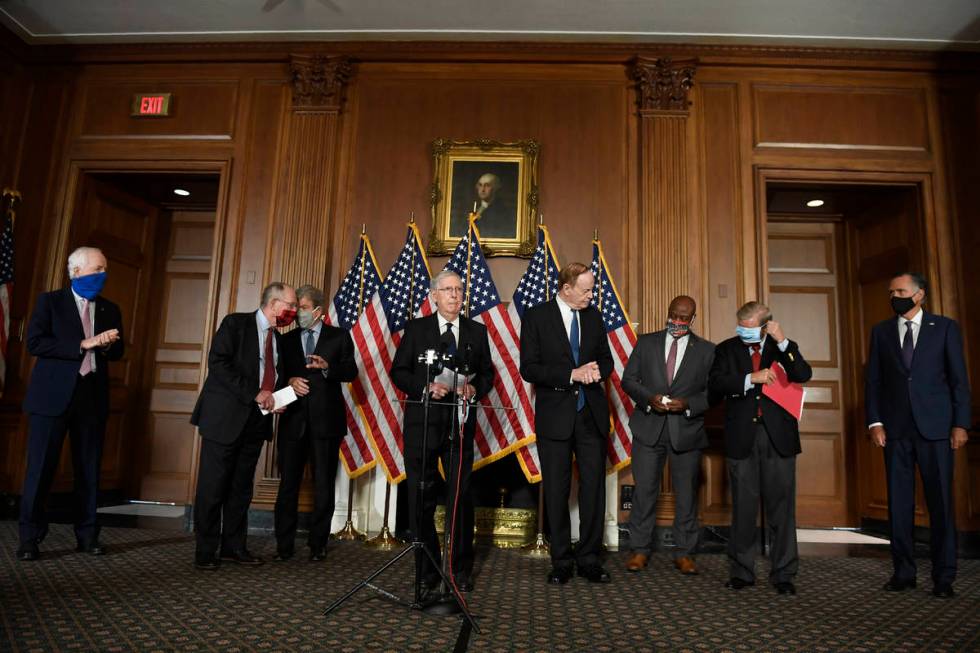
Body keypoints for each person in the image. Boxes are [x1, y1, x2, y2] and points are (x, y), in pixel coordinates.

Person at [865, 272, 970, 598]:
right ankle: (903, 572)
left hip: (936, 430)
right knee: (899, 505)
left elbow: (958, 381)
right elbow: (874, 382)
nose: (894, 295)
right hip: (895, 431)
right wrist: (875, 422)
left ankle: (944, 577)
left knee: (940, 504)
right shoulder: (881, 331)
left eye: (901, 290)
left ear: (919, 294)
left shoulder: (946, 328)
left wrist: (960, 424)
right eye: (891, 290)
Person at [390, 270, 494, 593]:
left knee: (460, 497)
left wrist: (474, 388)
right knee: (421, 495)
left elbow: (488, 374)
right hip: (423, 424)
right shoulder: (417, 329)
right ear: (434, 295)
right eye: (447, 290)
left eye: (459, 289)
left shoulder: (477, 332)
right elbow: (399, 371)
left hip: (459, 425)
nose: (454, 295)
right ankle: (428, 567)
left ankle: (460, 568)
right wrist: (425, 386)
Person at [17, 246, 123, 561]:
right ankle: (29, 538)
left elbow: (117, 353)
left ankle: (88, 536)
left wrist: (105, 346)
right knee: (40, 470)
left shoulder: (109, 309)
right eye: (96, 270)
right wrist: (82, 344)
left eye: (104, 270)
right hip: (52, 398)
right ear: (75, 272)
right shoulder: (50, 302)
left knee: (89, 470)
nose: (102, 276)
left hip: (91, 398)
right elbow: (35, 343)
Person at [190, 282, 297, 570]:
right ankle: (206, 550)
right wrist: (256, 393)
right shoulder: (236, 324)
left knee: (241, 488)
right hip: (224, 418)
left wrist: (275, 398)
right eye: (291, 305)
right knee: (213, 487)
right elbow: (219, 364)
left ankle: (234, 547)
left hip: (256, 421)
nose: (294, 311)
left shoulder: (278, 339)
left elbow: (271, 377)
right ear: (274, 304)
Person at [519, 262, 614, 585]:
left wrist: (597, 371)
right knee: (557, 491)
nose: (591, 295)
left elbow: (607, 358)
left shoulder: (594, 315)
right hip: (555, 416)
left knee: (593, 489)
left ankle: (588, 557)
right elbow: (529, 368)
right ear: (566, 289)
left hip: (591, 415)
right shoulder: (536, 317)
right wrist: (571, 374)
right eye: (586, 289)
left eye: (592, 288)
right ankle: (560, 559)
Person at [708, 301, 811, 595]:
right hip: (742, 437)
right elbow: (714, 386)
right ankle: (742, 571)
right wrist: (747, 379)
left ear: (766, 326)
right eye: (740, 326)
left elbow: (803, 374)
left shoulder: (782, 347)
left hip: (778, 438)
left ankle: (784, 574)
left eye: (750, 328)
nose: (744, 332)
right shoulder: (726, 349)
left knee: (782, 509)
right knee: (743, 507)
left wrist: (784, 341)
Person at [621, 295, 715, 575]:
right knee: (644, 492)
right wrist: (649, 398)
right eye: (674, 314)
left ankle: (685, 553)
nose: (677, 321)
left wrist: (689, 404)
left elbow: (713, 392)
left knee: (686, 495)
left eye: (684, 317)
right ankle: (639, 550)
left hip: (687, 431)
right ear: (668, 312)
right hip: (649, 427)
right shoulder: (647, 342)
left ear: (693, 319)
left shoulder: (707, 351)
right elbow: (628, 380)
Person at [273, 284, 357, 562]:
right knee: (288, 485)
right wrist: (288, 381)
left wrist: (327, 368)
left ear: (319, 311)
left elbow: (351, 372)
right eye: (297, 308)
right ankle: (283, 546)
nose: (299, 313)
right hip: (293, 423)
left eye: (305, 308)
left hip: (326, 424)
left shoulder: (339, 337)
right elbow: (275, 376)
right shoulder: (285, 339)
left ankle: (317, 544)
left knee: (323, 485)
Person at [470, 173, 514, 239]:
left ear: (495, 188)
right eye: (480, 185)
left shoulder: (502, 211)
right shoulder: (473, 207)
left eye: (487, 185)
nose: (482, 189)